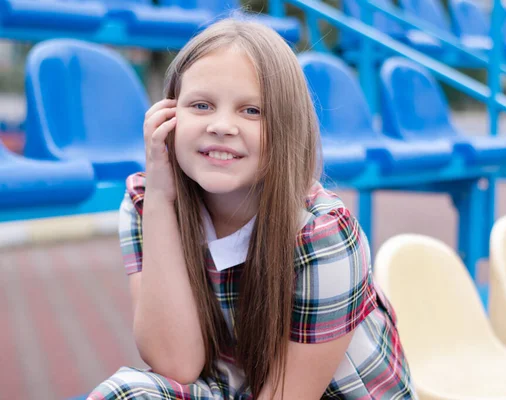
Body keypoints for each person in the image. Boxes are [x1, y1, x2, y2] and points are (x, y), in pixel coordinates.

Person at [88, 17, 415, 400]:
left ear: (288, 128)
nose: (222, 126)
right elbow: (176, 364)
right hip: (233, 386)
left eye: (252, 111)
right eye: (201, 105)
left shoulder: (321, 234)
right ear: (168, 116)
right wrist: (162, 198)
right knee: (125, 393)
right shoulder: (146, 203)